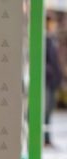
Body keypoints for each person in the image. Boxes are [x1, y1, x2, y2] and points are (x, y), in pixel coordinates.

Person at [45, 14, 62, 148]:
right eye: (52, 23)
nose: (54, 25)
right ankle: (44, 138)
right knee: (44, 110)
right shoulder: (44, 40)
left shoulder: (51, 39)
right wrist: (51, 72)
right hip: (46, 82)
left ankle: (47, 138)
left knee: (49, 110)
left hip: (52, 82)